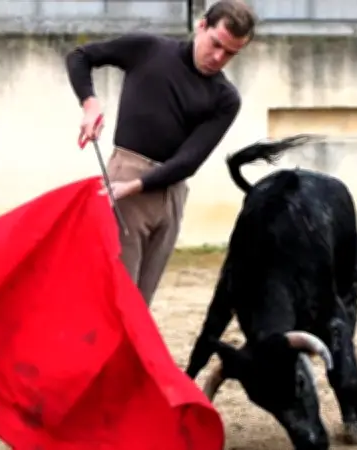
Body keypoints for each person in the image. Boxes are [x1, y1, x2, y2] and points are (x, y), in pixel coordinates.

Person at [65, 0, 257, 308]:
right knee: (115, 298)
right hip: (125, 179)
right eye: (216, 44)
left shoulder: (225, 98)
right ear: (201, 26)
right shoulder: (149, 49)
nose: (218, 58)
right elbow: (80, 56)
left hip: (170, 192)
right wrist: (90, 104)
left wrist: (136, 186)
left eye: (231, 53)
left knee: (140, 305)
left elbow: (189, 160)